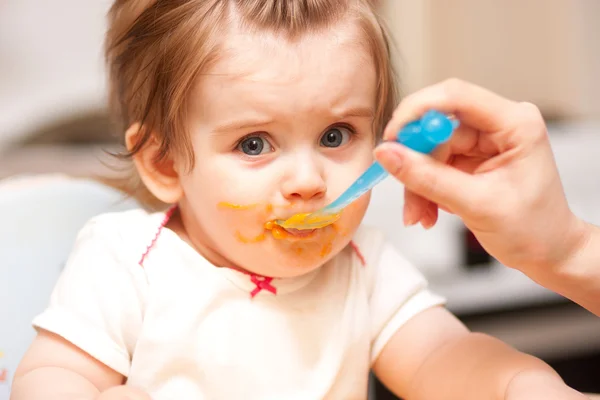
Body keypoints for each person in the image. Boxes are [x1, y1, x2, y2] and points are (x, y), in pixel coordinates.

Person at [10, 2, 587, 399]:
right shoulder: (127, 263)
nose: (309, 180)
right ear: (164, 164)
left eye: (336, 135)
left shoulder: (363, 265)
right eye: (255, 144)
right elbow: (52, 373)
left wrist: (518, 383)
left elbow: (441, 359)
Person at [374, 78, 600, 317]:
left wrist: (569, 250)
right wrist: (570, 251)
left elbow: (441, 346)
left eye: (335, 136)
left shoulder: (370, 270)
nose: (326, 183)